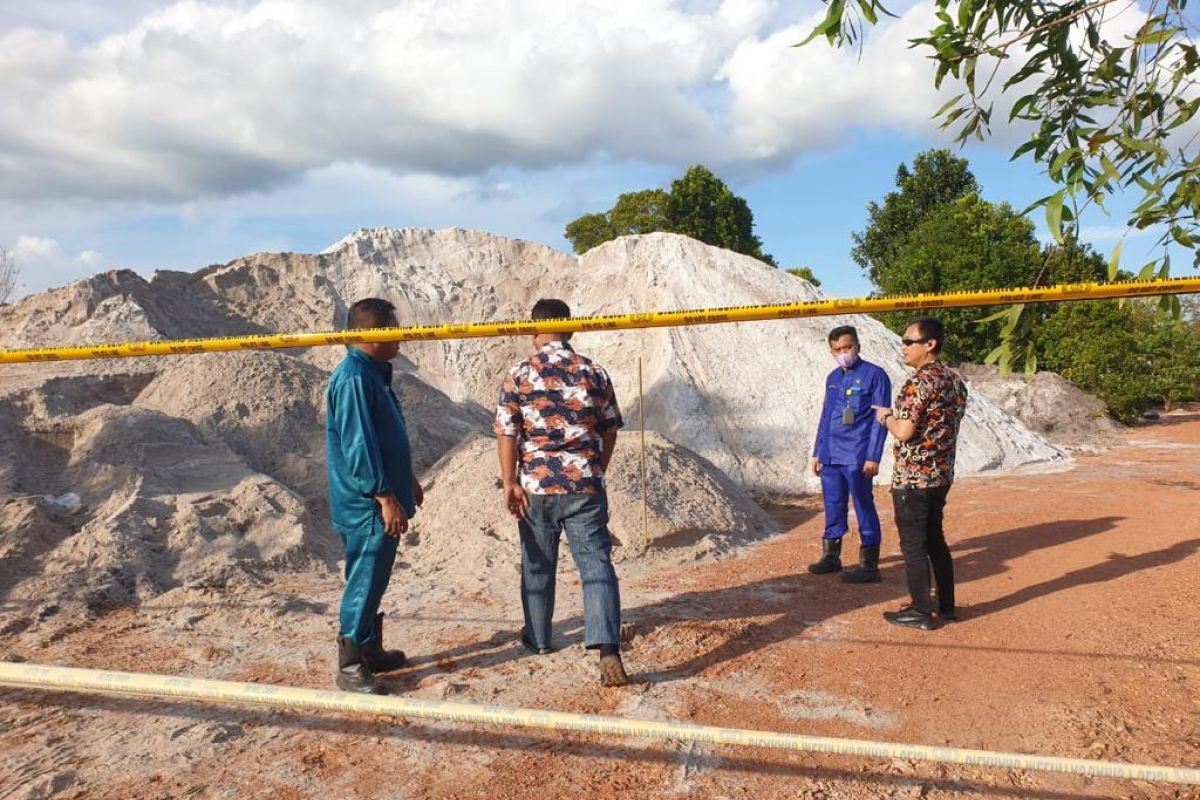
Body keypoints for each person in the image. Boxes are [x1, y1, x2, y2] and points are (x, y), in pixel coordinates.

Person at [494, 298, 629, 687]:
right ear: (569, 328)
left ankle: (538, 638)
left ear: (534, 329)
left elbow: (507, 431)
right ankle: (607, 648)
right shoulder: (593, 370)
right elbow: (610, 428)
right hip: (584, 483)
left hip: (536, 485)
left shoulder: (520, 372)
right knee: (596, 564)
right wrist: (597, 467)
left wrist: (509, 481)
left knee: (538, 563)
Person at [325, 298, 423, 693]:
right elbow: (359, 445)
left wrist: (406, 478)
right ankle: (350, 666)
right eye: (393, 327)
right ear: (373, 332)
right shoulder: (353, 378)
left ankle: (368, 647)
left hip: (378, 494)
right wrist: (383, 496)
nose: (400, 335)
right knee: (364, 577)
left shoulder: (373, 373)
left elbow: (384, 439)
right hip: (365, 503)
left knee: (373, 575)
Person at [872, 316, 968, 630]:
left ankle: (921, 611)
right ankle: (946, 605)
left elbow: (904, 431)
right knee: (935, 541)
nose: (903, 347)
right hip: (941, 476)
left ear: (930, 344)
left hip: (914, 478)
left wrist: (885, 417)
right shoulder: (955, 381)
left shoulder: (919, 382)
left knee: (913, 545)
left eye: (909, 341)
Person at [809, 325, 892, 582]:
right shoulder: (833, 378)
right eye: (837, 349)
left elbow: (881, 418)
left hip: (857, 454)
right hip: (831, 454)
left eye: (847, 347)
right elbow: (825, 416)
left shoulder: (875, 375)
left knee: (863, 504)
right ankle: (831, 556)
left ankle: (869, 564)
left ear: (858, 346)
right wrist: (817, 452)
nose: (843, 353)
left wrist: (873, 456)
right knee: (832, 504)